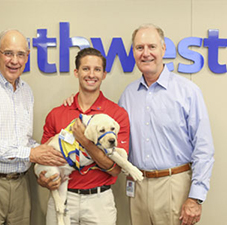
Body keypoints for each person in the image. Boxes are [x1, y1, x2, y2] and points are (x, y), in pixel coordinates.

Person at [0, 29, 66, 225]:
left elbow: (23, 141)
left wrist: (50, 150)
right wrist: (32, 154)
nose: (14, 61)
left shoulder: (26, 91)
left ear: (27, 57)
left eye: (20, 54)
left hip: (20, 185)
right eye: (8, 53)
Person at [118, 24, 215, 225]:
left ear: (163, 49)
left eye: (151, 47)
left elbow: (203, 149)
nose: (146, 53)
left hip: (175, 186)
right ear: (133, 53)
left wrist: (195, 197)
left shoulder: (188, 91)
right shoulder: (127, 95)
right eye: (139, 48)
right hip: (137, 188)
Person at [37, 47, 130, 225]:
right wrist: (43, 179)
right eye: (86, 68)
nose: (91, 74)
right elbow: (43, 160)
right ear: (76, 72)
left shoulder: (116, 115)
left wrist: (85, 141)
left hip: (99, 200)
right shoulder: (57, 114)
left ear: (104, 74)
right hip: (64, 197)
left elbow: (115, 168)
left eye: (97, 69)